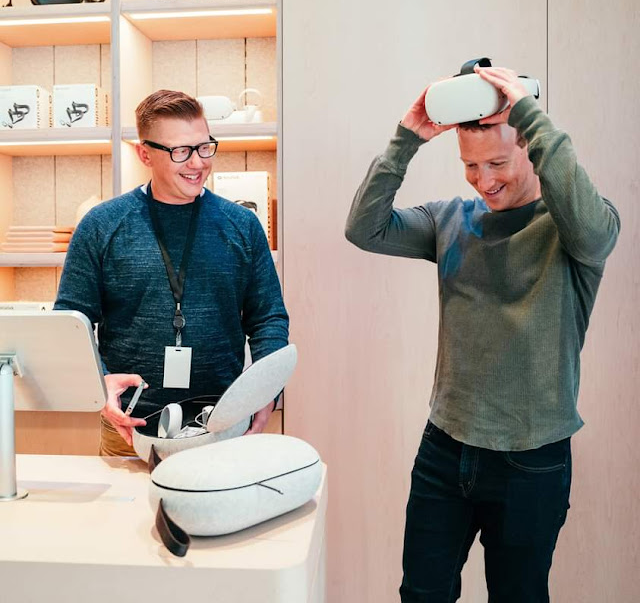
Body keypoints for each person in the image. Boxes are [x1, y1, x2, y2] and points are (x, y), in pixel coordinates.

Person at [345, 65, 620, 602]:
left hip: (531, 461)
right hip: (444, 450)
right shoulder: (449, 220)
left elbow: (594, 234)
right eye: (470, 165)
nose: (483, 179)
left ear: (531, 147)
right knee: (421, 594)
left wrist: (531, 116)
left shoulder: (574, 229)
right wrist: (406, 138)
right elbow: (364, 228)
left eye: (497, 162)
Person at [55, 89, 288, 456]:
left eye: (204, 147)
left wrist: (267, 390)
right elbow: (71, 320)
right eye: (181, 151)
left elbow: (268, 318)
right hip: (129, 431)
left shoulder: (242, 225)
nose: (198, 163)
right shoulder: (101, 225)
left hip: (224, 427)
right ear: (144, 153)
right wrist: (98, 382)